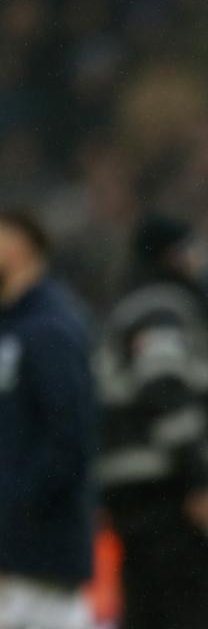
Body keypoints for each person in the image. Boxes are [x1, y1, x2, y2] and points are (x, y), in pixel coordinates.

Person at [96, 215, 208, 629]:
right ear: (174, 255)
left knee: (150, 609)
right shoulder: (161, 308)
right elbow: (165, 394)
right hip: (167, 499)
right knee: (184, 610)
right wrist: (201, 480)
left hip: (150, 500)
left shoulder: (141, 304)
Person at [0, 209, 96, 629]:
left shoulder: (50, 328)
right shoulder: (15, 326)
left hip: (38, 565)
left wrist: (15, 512)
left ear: (19, 246)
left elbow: (68, 441)